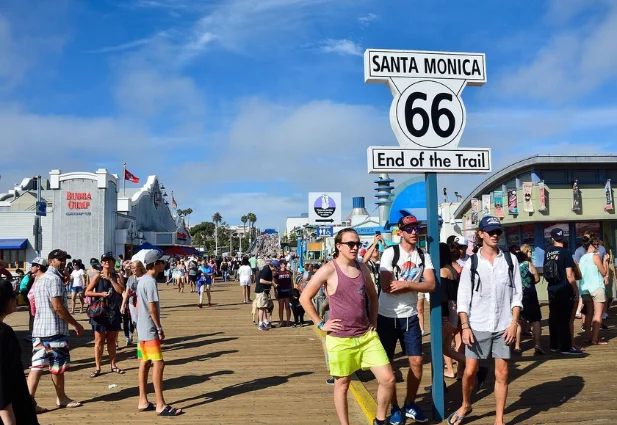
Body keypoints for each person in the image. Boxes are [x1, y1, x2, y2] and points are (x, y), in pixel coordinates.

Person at [300, 228, 394, 425]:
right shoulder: (328, 270)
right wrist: (321, 323)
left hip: (366, 336)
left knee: (388, 379)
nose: (355, 247)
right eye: (350, 244)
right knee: (342, 384)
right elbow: (304, 297)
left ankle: (380, 419)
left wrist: (374, 321)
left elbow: (373, 296)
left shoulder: (362, 268)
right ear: (339, 246)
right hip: (340, 338)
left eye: (357, 244)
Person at [449, 216, 523, 425]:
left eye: (497, 231)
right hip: (477, 325)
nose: (494, 235)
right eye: (490, 231)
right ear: (480, 234)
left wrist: (514, 323)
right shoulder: (472, 263)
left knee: (502, 373)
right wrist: (465, 326)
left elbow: (517, 295)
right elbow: (463, 298)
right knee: (470, 371)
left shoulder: (510, 260)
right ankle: (466, 404)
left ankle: (499, 420)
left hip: (503, 325)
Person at [378, 215, 435, 424]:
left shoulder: (423, 255)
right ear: (400, 232)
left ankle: (410, 403)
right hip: (386, 316)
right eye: (409, 229)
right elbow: (387, 287)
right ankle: (394, 407)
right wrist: (415, 285)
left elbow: (431, 285)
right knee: (388, 365)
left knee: (417, 361)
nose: (414, 232)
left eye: (416, 228)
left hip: (410, 316)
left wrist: (405, 284)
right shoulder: (390, 253)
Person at [27, 249, 84, 412]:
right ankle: (62, 398)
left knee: (37, 366)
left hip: (39, 329)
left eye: (64, 259)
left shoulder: (40, 279)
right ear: (51, 260)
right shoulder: (54, 279)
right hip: (54, 330)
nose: (63, 262)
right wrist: (75, 324)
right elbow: (58, 306)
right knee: (57, 366)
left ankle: (27, 402)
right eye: (60, 259)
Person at [133, 250, 183, 416]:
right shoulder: (151, 282)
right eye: (162, 262)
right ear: (155, 264)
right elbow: (152, 308)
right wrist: (159, 328)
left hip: (142, 327)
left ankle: (143, 400)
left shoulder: (141, 280)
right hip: (149, 328)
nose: (164, 264)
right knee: (158, 363)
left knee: (145, 362)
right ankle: (160, 404)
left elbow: (138, 305)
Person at [0, 279, 40, 425]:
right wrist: (7, 415)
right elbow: (2, 379)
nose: (15, 298)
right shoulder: (3, 333)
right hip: (13, 409)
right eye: (12, 295)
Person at [84, 252, 126, 377]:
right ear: (102, 263)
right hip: (100, 312)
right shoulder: (97, 276)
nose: (107, 262)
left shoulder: (117, 275)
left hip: (113, 311)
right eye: (104, 260)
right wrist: (100, 294)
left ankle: (113, 365)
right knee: (99, 341)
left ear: (113, 262)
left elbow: (120, 290)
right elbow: (87, 292)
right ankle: (98, 367)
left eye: (109, 260)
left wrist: (111, 280)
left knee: (112, 340)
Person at [544, 228, 583, 355]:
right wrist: (575, 290)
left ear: (552, 238)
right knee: (565, 318)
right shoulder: (565, 252)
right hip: (564, 288)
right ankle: (566, 347)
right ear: (563, 238)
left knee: (553, 317)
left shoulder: (547, 252)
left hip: (551, 288)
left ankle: (554, 345)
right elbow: (570, 275)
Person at [578, 234, 610, 345]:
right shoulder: (595, 256)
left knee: (589, 313)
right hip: (596, 287)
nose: (598, 247)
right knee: (598, 314)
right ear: (590, 245)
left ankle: (587, 336)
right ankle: (595, 339)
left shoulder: (582, 258)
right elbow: (604, 272)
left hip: (585, 289)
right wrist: (605, 261)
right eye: (596, 245)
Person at [511, 246, 543, 355]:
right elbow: (537, 278)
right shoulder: (527, 264)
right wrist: (530, 283)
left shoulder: (513, 266)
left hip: (518, 296)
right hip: (531, 294)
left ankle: (517, 345)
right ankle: (537, 344)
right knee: (535, 320)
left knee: (518, 321)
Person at [255, 260, 279, 330]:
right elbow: (261, 281)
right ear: (273, 266)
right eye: (276, 267)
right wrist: (271, 283)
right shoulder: (266, 270)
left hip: (265, 291)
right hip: (261, 290)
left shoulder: (268, 270)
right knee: (261, 307)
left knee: (264, 306)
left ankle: (265, 322)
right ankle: (260, 324)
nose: (276, 269)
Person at [275, 260, 292, 327]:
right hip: (280, 291)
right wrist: (275, 292)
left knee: (287, 307)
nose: (285, 265)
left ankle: (288, 321)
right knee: (281, 307)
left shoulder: (289, 272)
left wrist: (292, 290)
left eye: (285, 264)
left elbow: (291, 282)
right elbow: (275, 283)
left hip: (288, 291)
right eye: (283, 264)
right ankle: (281, 321)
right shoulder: (277, 273)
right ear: (280, 265)